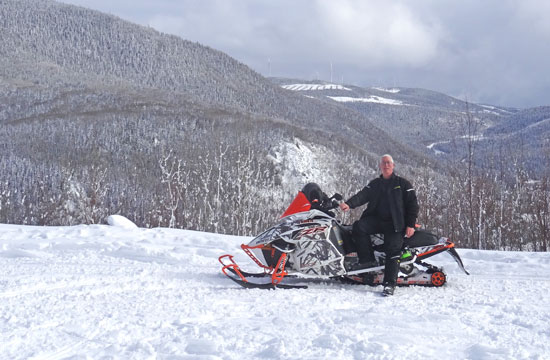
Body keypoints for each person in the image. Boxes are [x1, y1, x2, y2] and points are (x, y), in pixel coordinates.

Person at [339, 154, 419, 296]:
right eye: (384, 163)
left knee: (393, 251)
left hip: (396, 223)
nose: (386, 165)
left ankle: (389, 284)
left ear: (393, 166)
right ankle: (367, 261)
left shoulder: (403, 184)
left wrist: (410, 224)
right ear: (380, 166)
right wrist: (349, 204)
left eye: (388, 163)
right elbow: (362, 195)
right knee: (359, 227)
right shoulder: (376, 183)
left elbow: (413, 205)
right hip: (376, 220)